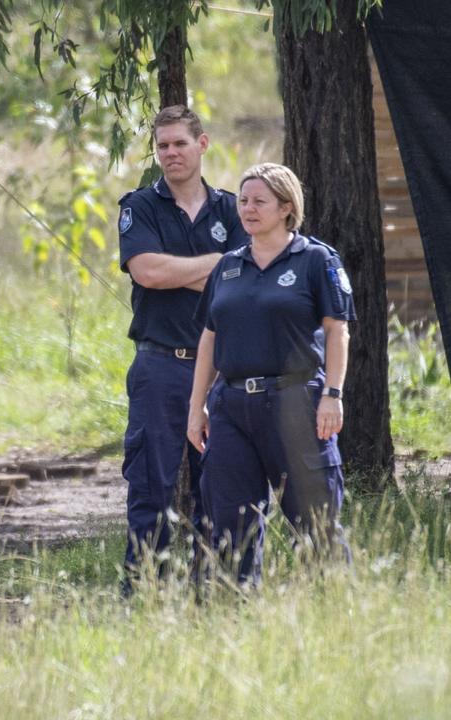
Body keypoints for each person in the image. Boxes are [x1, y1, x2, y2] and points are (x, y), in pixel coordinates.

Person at [186, 162, 353, 586]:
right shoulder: (226, 266)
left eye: (260, 201)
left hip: (296, 401)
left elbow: (337, 331)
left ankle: (334, 608)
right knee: (229, 522)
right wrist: (197, 407)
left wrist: (333, 393)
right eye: (243, 201)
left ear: (286, 207)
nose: (248, 209)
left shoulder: (316, 259)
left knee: (316, 519)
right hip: (232, 407)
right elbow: (209, 338)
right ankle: (237, 612)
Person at [117, 105, 249, 585]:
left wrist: (190, 272)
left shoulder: (234, 209)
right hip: (161, 367)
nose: (170, 153)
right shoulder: (140, 207)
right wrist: (216, 265)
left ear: (203, 144)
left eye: (179, 143)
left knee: (221, 485)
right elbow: (148, 272)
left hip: (220, 372)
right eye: (163, 145)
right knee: (151, 486)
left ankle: (212, 590)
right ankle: (144, 591)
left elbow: (245, 279)